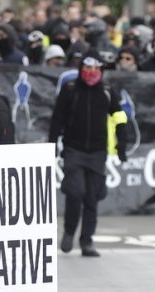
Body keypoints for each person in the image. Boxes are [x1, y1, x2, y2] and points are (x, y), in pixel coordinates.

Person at [49, 50, 127, 257]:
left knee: (92, 197)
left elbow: (119, 117)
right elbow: (57, 118)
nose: (91, 72)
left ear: (101, 70)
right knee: (75, 192)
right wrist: (51, 145)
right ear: (81, 68)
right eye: (87, 67)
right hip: (73, 149)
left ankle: (87, 241)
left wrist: (122, 145)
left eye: (96, 68)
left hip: (98, 152)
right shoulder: (70, 89)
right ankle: (69, 231)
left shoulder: (108, 91)